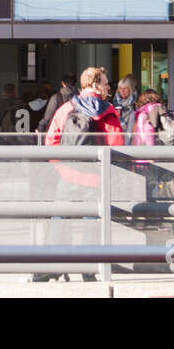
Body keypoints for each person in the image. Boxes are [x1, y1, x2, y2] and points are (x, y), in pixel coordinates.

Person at [39, 66, 123, 282]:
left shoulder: (67, 107)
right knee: (93, 221)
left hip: (67, 175)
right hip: (96, 177)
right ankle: (88, 269)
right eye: (105, 83)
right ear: (95, 85)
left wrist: (63, 167)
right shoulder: (108, 110)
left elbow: (51, 140)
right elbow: (117, 144)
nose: (107, 87)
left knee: (59, 218)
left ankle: (50, 267)